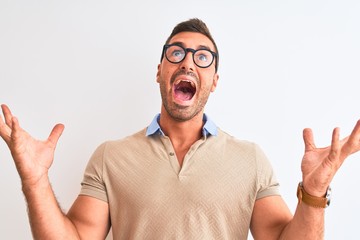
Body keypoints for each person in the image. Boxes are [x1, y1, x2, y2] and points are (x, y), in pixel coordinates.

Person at [0, 18, 359, 240]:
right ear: (160, 71)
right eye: (177, 53)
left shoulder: (250, 159)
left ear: (214, 80)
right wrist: (35, 181)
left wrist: (314, 192)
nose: (188, 61)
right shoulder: (111, 157)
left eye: (202, 57)